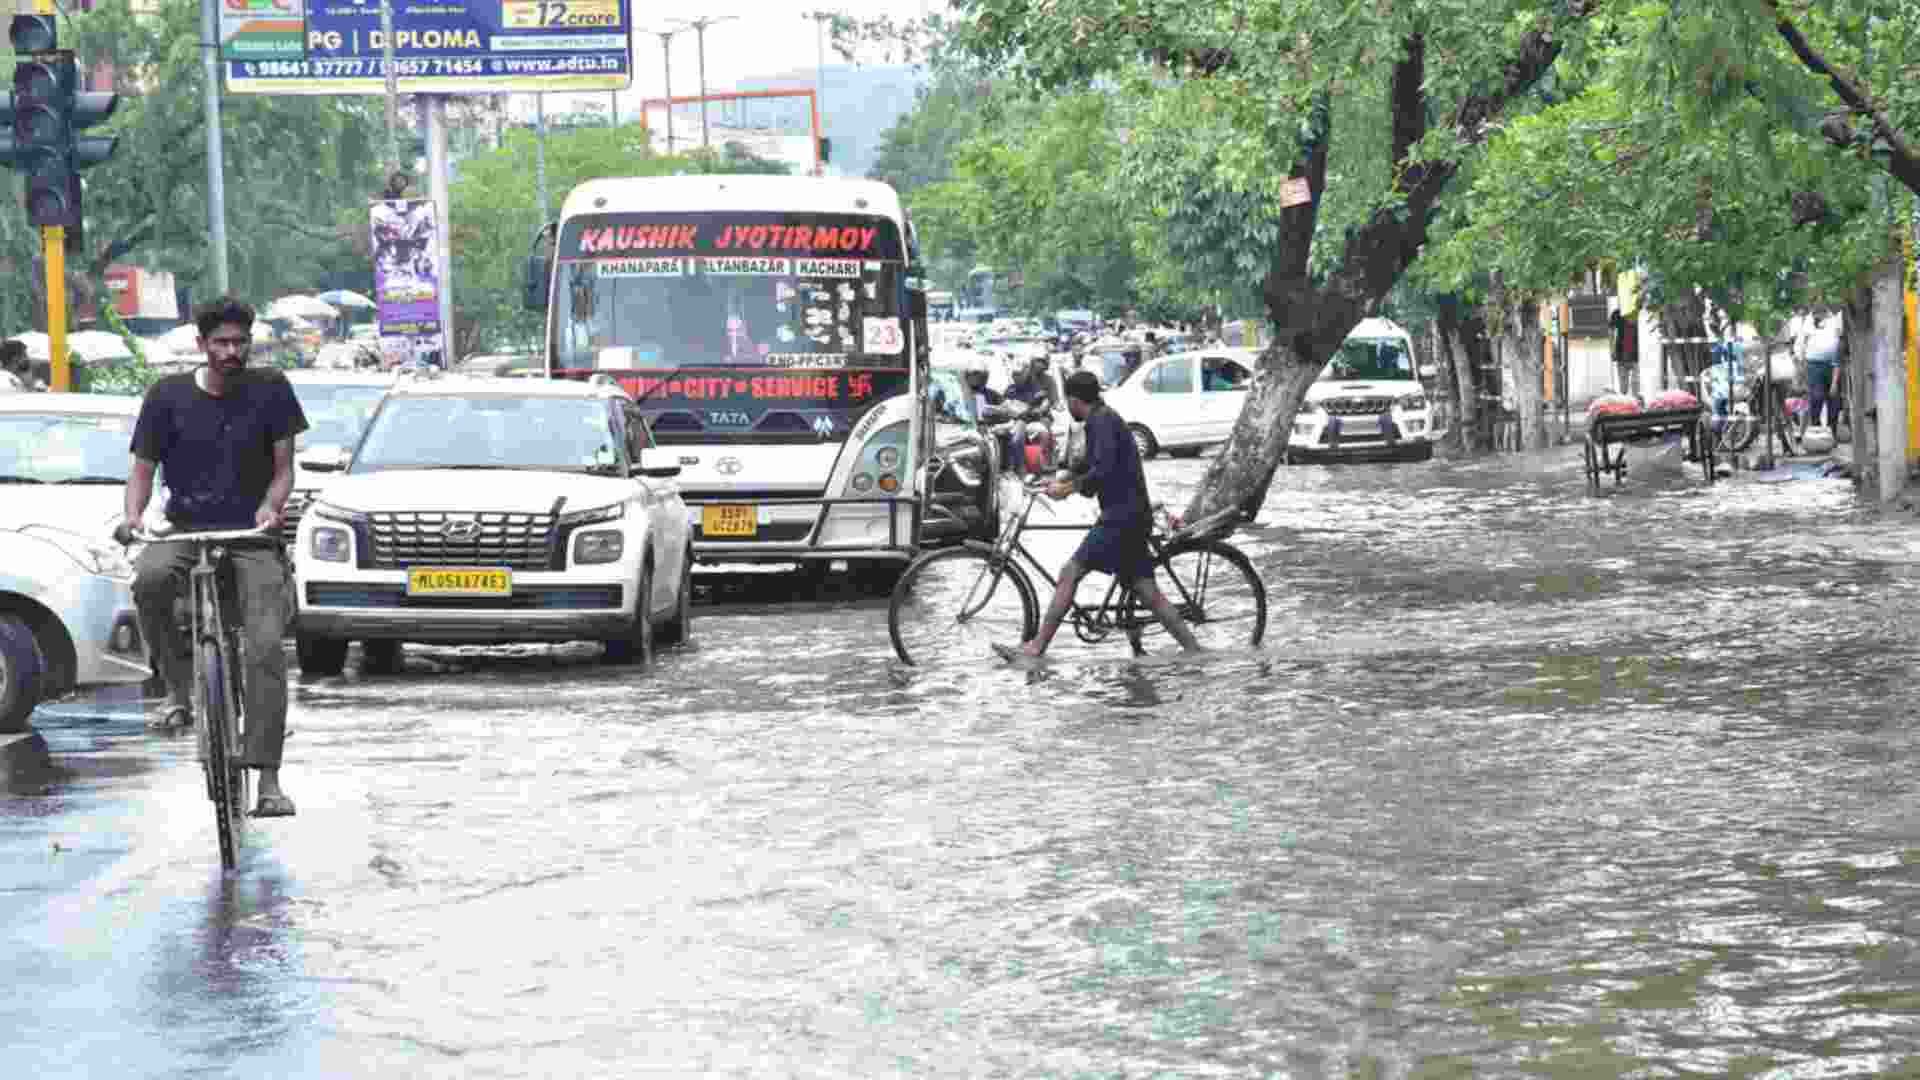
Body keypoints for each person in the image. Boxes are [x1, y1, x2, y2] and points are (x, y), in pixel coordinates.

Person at [116, 296, 308, 818]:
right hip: (185, 528)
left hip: (253, 533)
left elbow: (284, 468)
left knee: (265, 647)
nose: (231, 351)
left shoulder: (271, 389)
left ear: (249, 343)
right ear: (201, 345)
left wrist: (272, 506)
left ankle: (268, 780)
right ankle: (177, 689)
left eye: (239, 342)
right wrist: (133, 518)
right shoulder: (166, 396)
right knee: (150, 581)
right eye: (220, 342)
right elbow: (142, 472)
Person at [1003, 370, 1202, 660]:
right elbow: (1093, 467)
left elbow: (1104, 471)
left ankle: (1036, 648)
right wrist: (1059, 480)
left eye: (1067, 401)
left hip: (1121, 518)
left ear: (1074, 399)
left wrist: (1068, 488)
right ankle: (1195, 652)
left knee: (1070, 573)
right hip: (1130, 514)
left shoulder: (1102, 422)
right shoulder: (1102, 419)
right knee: (1147, 591)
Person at [1003, 356, 1057, 474]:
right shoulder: (1010, 390)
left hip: (1030, 419)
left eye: (1019, 374)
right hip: (1012, 421)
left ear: (1026, 373)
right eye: (1015, 374)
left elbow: (1046, 402)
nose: (1016, 377)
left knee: (1039, 431)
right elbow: (1004, 405)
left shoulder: (1036, 387)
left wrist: (1039, 409)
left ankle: (1040, 465)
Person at [1795, 309, 1844, 432]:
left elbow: (1839, 340)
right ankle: (1815, 429)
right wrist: (1800, 362)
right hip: (1814, 365)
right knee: (1817, 397)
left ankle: (1832, 432)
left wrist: (1834, 383)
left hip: (1832, 365)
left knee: (1834, 401)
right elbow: (1801, 343)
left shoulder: (1835, 319)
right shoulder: (1807, 321)